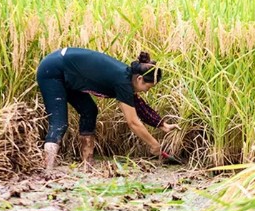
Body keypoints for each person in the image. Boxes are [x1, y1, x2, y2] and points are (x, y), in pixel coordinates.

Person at [36, 47, 179, 170]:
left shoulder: (127, 78)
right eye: (148, 87)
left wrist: (162, 125)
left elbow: (139, 106)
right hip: (52, 70)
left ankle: (88, 163)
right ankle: (47, 169)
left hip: (69, 74)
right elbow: (133, 122)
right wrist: (154, 145)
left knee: (89, 110)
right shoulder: (123, 82)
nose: (147, 91)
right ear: (140, 79)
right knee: (59, 123)